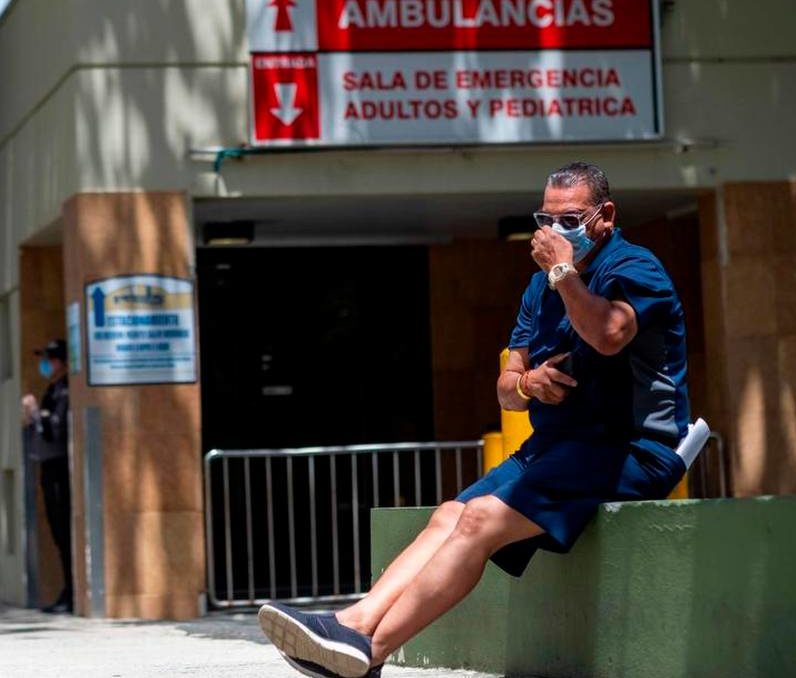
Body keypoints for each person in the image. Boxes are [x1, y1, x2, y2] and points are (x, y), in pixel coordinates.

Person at [257, 161, 691, 678]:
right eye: (545, 218)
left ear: (605, 216)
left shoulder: (635, 268)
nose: (554, 231)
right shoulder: (538, 291)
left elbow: (609, 335)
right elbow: (507, 391)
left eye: (570, 218)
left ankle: (368, 652)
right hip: (555, 450)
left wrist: (563, 272)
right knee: (450, 514)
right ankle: (357, 623)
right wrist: (529, 384)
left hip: (631, 450)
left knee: (481, 520)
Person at [22, 338, 73, 614]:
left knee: (64, 530)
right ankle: (67, 589)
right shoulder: (53, 389)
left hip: (60, 469)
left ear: (62, 362)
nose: (45, 364)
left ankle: (72, 592)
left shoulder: (65, 391)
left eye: (50, 359)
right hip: (49, 466)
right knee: (57, 531)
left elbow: (56, 430)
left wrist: (35, 414)